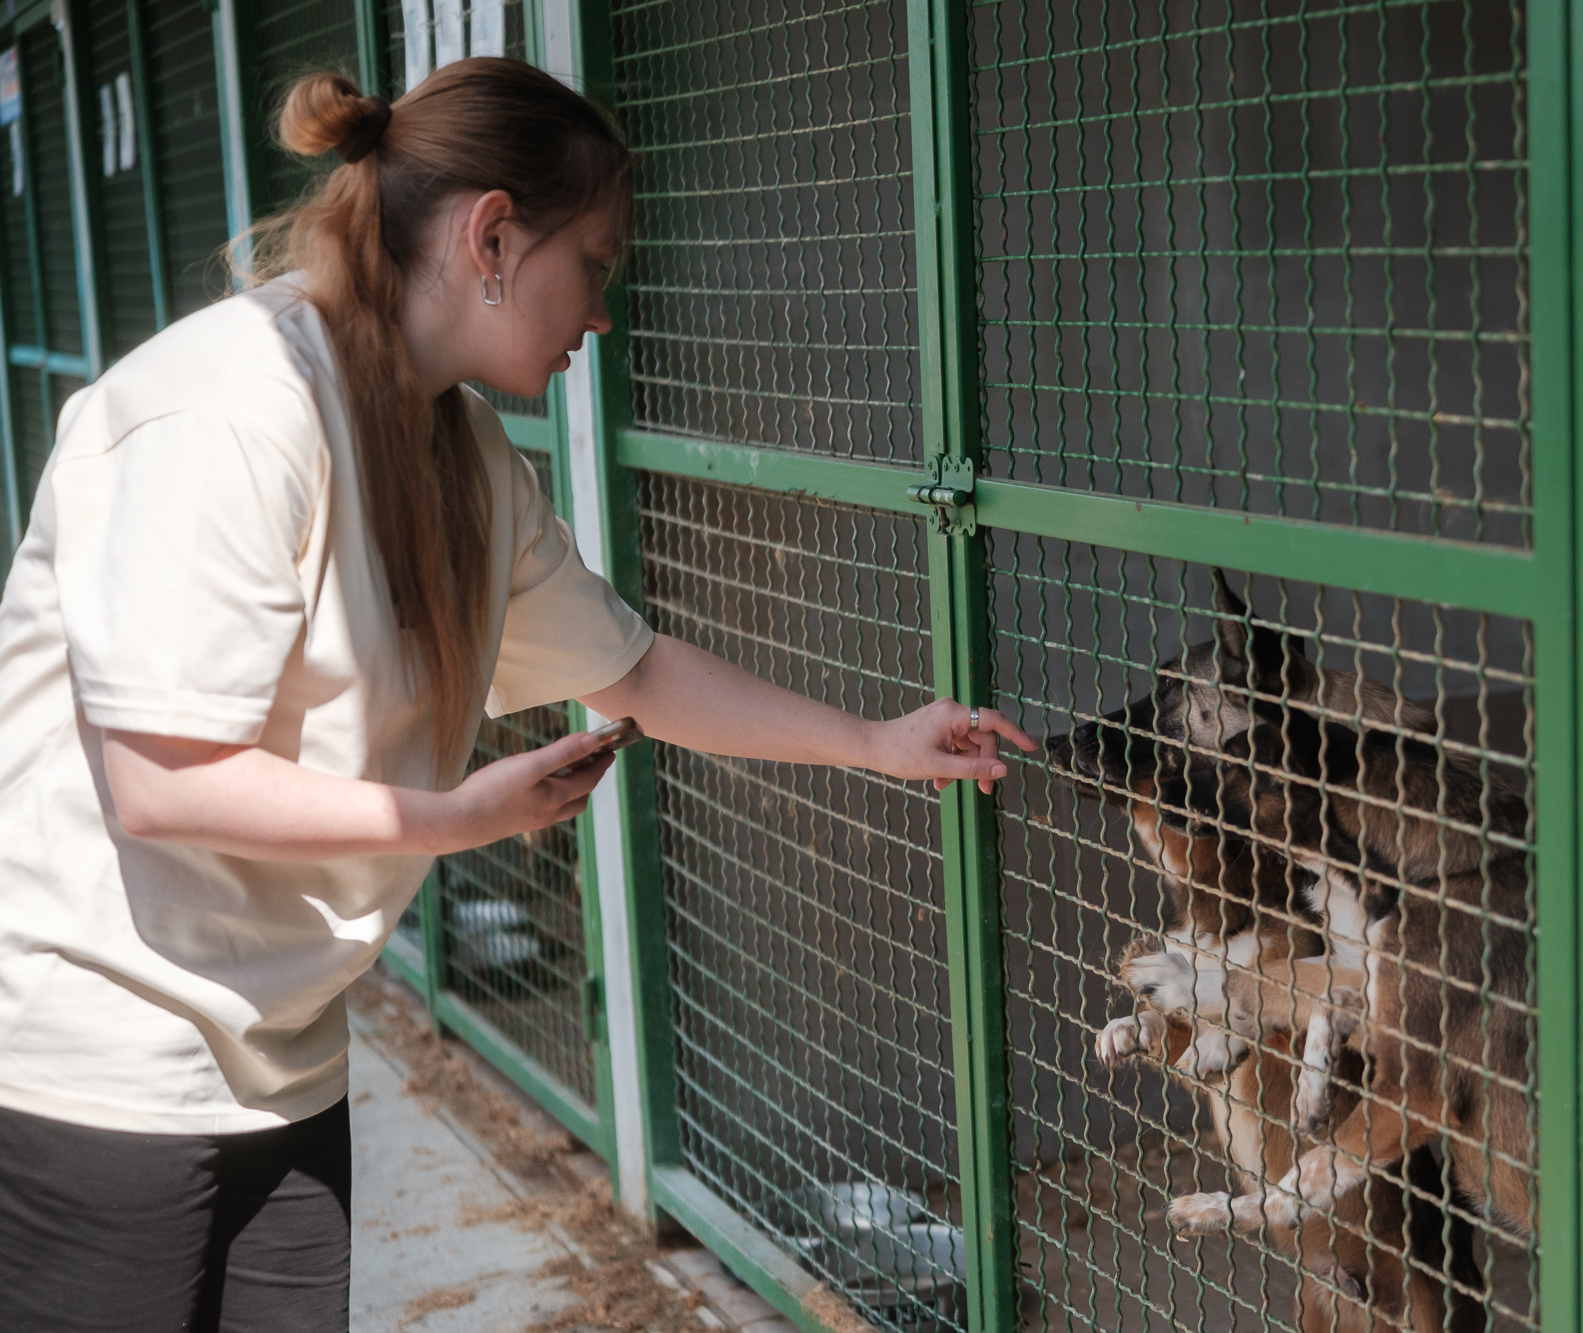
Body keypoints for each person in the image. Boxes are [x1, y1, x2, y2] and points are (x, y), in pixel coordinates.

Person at [0, 59, 1030, 1332]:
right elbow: (159, 781)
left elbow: (633, 671)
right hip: (101, 1057)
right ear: (491, 236)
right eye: (593, 263)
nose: (600, 312)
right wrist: (451, 819)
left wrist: (875, 741)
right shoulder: (231, 409)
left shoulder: (458, 450)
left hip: (282, 1046)